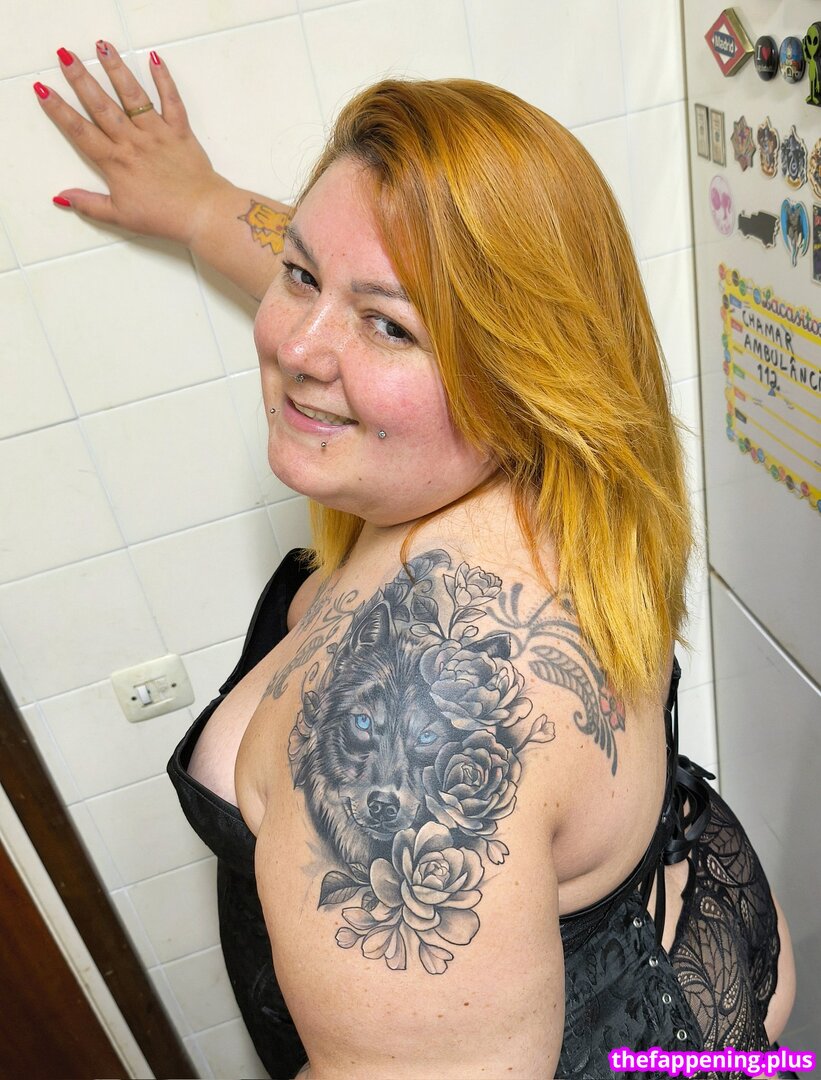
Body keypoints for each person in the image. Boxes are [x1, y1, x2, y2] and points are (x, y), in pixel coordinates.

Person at [37, 42, 797, 1080]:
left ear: (522, 366)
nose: (297, 346)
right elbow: (377, 287)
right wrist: (202, 204)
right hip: (707, 947)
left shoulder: (410, 736)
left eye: (386, 326)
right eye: (299, 274)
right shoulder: (576, 459)